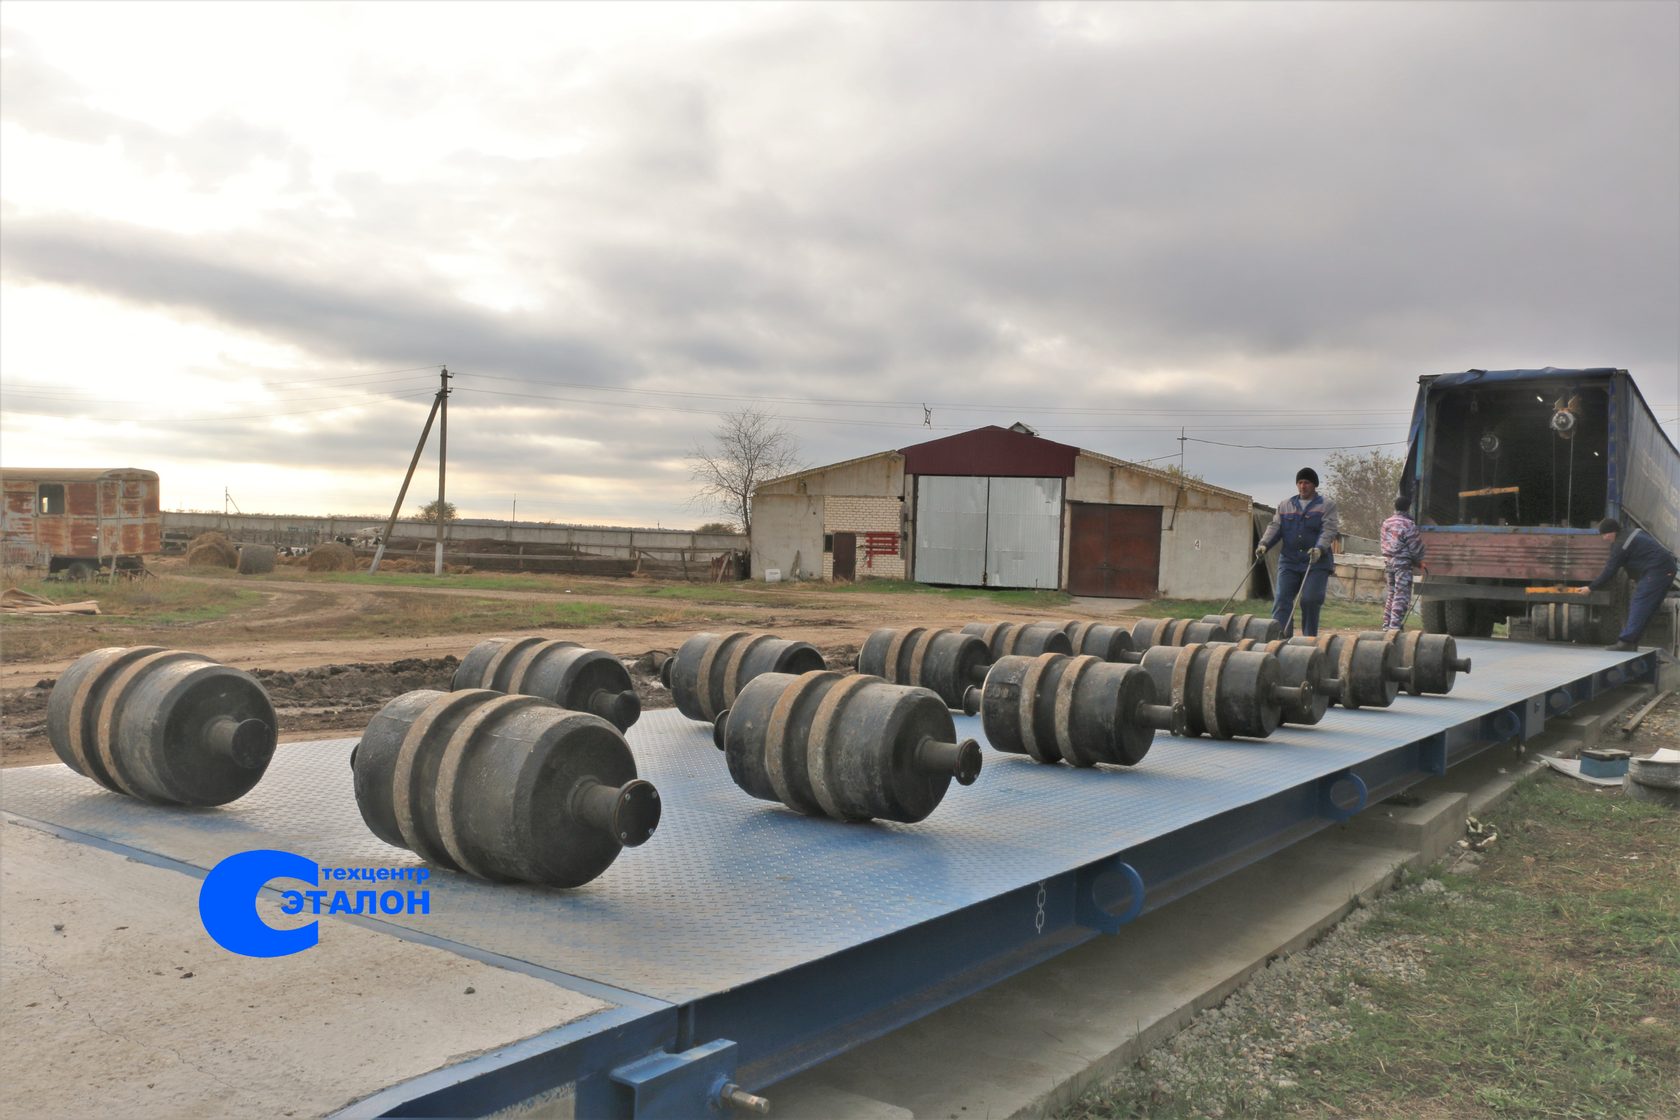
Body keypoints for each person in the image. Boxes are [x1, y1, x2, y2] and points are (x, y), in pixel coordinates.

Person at [1256, 467, 1340, 638]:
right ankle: (1279, 638)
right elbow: (1275, 527)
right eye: (1300, 482)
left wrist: (1319, 548)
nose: (1303, 486)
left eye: (1307, 483)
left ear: (1314, 485)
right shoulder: (1285, 505)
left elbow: (1329, 530)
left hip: (1316, 562)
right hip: (1289, 560)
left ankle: (1308, 642)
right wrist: (1264, 544)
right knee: (1282, 599)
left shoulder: (1327, 506)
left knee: (1310, 600)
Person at [1582, 517, 1678, 651]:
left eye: (1605, 535)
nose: (1604, 538)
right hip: (1664, 568)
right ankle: (1632, 642)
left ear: (1612, 532)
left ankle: (1626, 642)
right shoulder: (1632, 533)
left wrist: (1590, 587)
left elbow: (1610, 571)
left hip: (1657, 570)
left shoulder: (1621, 544)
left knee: (1640, 603)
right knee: (1648, 607)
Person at [1380, 496, 1424, 630]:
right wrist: (1419, 561)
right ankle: (1395, 626)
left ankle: (1386, 624)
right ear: (1408, 508)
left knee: (1392, 593)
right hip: (1402, 564)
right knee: (1401, 594)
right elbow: (1415, 547)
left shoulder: (1386, 523)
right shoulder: (1408, 525)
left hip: (1388, 562)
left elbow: (1383, 543)